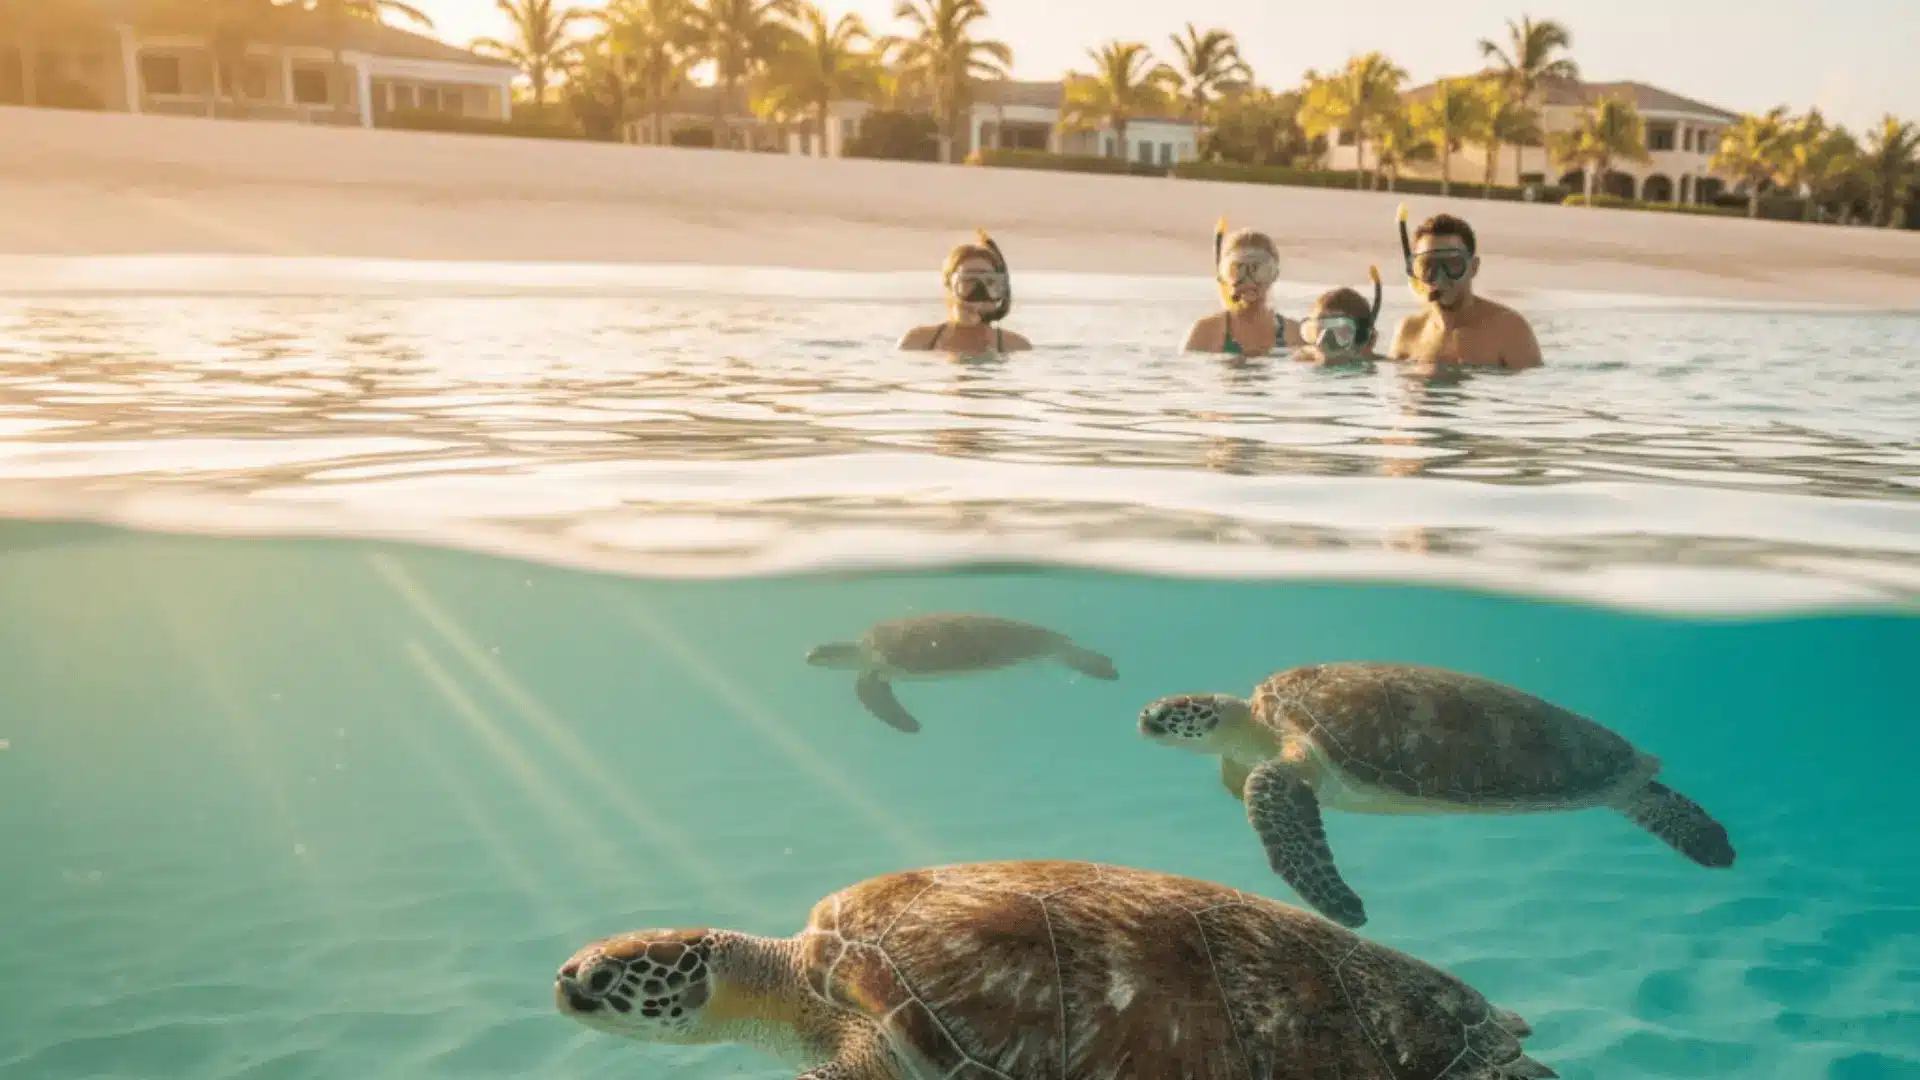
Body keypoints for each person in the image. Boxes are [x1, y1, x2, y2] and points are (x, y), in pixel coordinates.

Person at [1387, 208, 1542, 369]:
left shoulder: (1509, 330)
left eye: (1453, 264)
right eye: (1428, 265)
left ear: (1473, 267)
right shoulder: (1409, 331)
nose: (1440, 277)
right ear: (1414, 271)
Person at [1183, 220, 1306, 356]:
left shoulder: (1296, 334)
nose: (1248, 281)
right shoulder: (1205, 331)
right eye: (1237, 271)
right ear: (1223, 277)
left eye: (1259, 271)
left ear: (1274, 275)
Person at [898, 231, 1032, 354]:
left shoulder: (1016, 346)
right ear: (949, 284)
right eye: (969, 280)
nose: (979, 288)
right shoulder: (918, 341)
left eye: (988, 280)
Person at [1298, 266, 1384, 366]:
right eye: (1319, 329)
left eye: (1340, 330)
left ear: (1366, 340)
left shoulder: (1380, 367)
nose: (1326, 341)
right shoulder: (1304, 361)